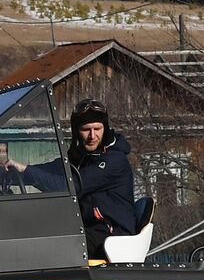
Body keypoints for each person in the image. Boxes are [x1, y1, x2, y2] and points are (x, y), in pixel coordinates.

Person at [7, 98, 135, 259]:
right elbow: (52, 170)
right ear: (76, 131)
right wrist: (11, 174)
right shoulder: (81, 157)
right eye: (86, 129)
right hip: (87, 229)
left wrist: (26, 170)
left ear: (105, 129)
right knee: (35, 232)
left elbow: (67, 187)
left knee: (51, 245)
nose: (92, 136)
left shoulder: (113, 161)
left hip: (112, 235)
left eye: (97, 128)